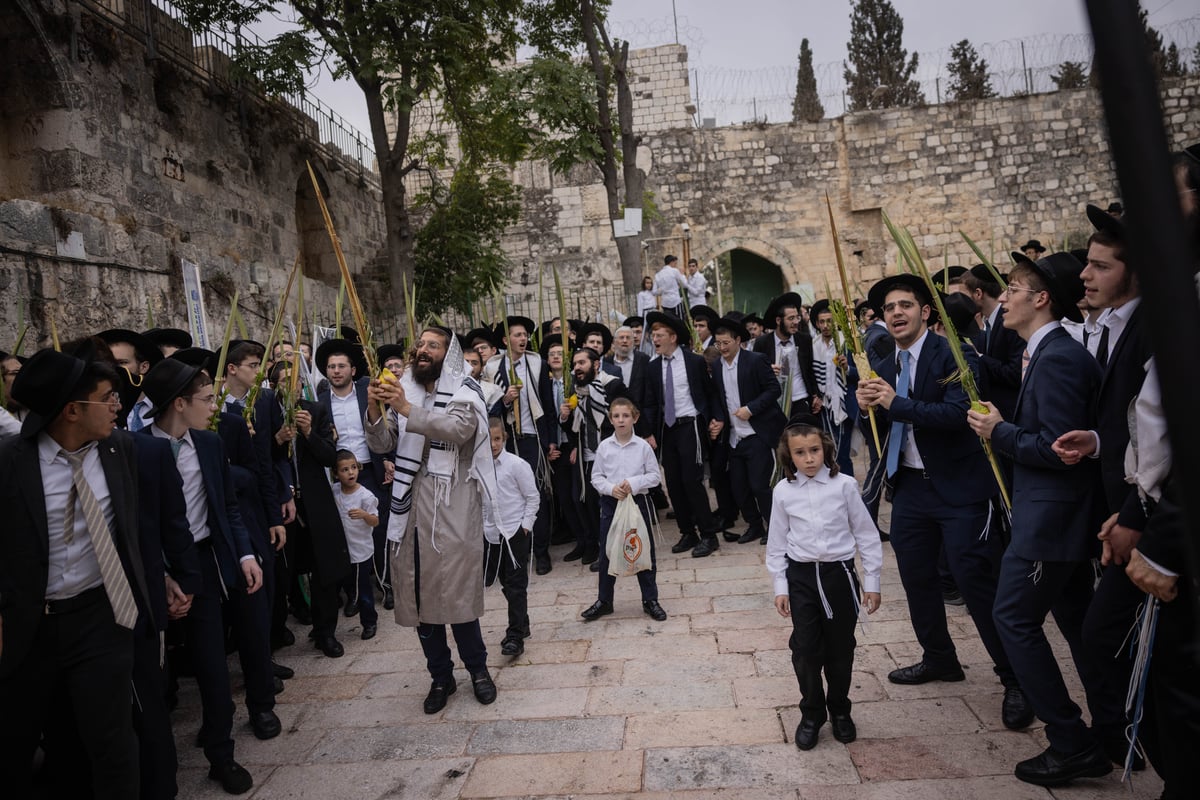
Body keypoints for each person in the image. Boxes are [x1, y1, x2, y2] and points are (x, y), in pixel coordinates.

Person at [855, 273, 1030, 731]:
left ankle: (1015, 678)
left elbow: (959, 414)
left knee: (976, 585)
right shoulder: (879, 358)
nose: (896, 313)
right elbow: (883, 417)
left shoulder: (954, 353)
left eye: (905, 305)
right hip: (910, 488)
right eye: (889, 307)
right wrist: (867, 404)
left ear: (925, 312)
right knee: (916, 578)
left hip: (960, 490)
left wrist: (896, 403)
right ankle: (939, 658)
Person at [966, 252, 1112, 786]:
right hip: (1055, 516)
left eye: (1012, 289)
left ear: (1040, 298)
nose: (1002, 297)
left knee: (1013, 619)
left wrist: (997, 432)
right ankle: (1114, 731)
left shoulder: (1056, 358)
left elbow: (1059, 449)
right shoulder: (1044, 352)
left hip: (1050, 520)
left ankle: (1071, 741)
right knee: (1078, 624)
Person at [1, 350, 156, 800]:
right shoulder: (10, 462)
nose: (118, 407)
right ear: (72, 410)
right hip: (26, 627)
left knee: (113, 742)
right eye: (107, 398)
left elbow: (131, 527)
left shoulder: (119, 448)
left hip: (99, 617)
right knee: (21, 745)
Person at [1052, 205, 1152, 769]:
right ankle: (1122, 734)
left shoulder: (1150, 326)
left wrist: (1135, 511)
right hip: (1122, 504)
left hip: (1145, 514)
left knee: (1105, 632)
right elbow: (1127, 422)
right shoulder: (1116, 324)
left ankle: (1128, 734)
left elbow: (1165, 429)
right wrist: (1095, 440)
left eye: (1099, 266)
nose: (1084, 277)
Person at [141, 357, 265, 794]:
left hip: (203, 567)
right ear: (179, 402)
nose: (215, 406)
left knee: (213, 665)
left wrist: (245, 553)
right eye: (208, 399)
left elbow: (226, 505)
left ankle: (221, 754)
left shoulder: (210, 444)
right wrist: (160, 575)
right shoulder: (132, 449)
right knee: (157, 676)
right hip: (152, 575)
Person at [366, 327, 499, 715]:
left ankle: (478, 671)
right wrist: (377, 409)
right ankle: (440, 676)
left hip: (452, 503)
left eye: (432, 346)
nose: (422, 350)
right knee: (421, 599)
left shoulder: (464, 389)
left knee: (456, 595)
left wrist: (407, 409)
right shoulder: (406, 385)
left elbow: (461, 430)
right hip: (410, 509)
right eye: (420, 344)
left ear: (448, 354)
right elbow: (382, 444)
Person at [767, 424, 882, 751]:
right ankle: (812, 712)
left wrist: (871, 581)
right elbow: (776, 544)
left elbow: (866, 534)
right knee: (805, 651)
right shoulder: (783, 492)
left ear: (826, 449)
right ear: (789, 455)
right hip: (801, 578)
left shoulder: (844, 486)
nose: (809, 459)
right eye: (800, 453)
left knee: (840, 649)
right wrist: (780, 585)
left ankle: (840, 710)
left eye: (814, 450)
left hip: (839, 577)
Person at [643, 311, 726, 557]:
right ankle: (687, 532)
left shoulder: (693, 361)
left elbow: (711, 393)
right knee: (674, 484)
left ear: (673, 337)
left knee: (692, 480)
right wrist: (648, 432)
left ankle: (709, 535)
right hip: (667, 430)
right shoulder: (652, 367)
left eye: (659, 336)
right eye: (653, 336)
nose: (654, 340)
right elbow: (648, 402)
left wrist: (717, 418)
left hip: (691, 425)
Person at [582, 396, 667, 622]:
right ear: (611, 419)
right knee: (608, 551)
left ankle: (650, 599)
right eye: (617, 416)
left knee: (642, 549)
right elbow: (596, 477)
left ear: (635, 418)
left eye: (626, 416)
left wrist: (634, 483)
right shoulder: (604, 447)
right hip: (612, 504)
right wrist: (610, 489)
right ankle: (604, 600)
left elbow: (654, 477)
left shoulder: (642, 447)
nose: (621, 420)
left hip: (637, 503)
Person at [709, 316, 784, 545]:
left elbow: (774, 390)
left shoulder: (755, 360)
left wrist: (751, 409)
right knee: (739, 487)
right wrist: (719, 420)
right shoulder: (716, 366)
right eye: (718, 344)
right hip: (733, 436)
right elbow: (717, 397)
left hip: (757, 433)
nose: (721, 348)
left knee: (760, 485)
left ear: (738, 340)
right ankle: (754, 525)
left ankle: (774, 528)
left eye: (726, 343)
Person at [561, 347, 628, 568]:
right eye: (575, 364)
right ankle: (595, 546)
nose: (577, 368)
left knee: (609, 506)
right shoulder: (576, 391)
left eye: (582, 363)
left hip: (610, 456)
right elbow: (573, 428)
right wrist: (565, 417)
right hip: (586, 457)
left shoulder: (612, 385)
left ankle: (614, 551)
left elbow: (625, 417)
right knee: (587, 503)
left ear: (596, 364)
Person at [483, 417, 539, 656]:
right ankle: (523, 622)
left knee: (516, 584)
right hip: (493, 534)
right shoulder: (478, 468)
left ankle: (515, 636)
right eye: (488, 440)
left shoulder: (517, 465)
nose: (493, 444)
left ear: (504, 438)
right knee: (505, 582)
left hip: (515, 530)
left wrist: (525, 526)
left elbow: (532, 497)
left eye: (497, 439)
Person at [964, 264, 1025, 421]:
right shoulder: (988, 323)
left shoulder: (1009, 321)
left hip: (1011, 416)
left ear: (978, 294)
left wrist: (980, 357)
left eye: (964, 296)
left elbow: (1016, 373)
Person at [331, 449, 381, 641]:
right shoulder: (335, 490)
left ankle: (369, 621)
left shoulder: (365, 496)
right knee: (350, 585)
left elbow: (375, 521)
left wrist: (365, 515)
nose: (350, 472)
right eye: (344, 469)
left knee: (364, 592)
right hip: (343, 551)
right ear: (336, 473)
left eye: (353, 467)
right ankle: (353, 601)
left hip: (361, 551)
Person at [751, 292, 820, 421]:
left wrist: (815, 395)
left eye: (797, 318)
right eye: (790, 319)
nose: (795, 322)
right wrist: (767, 370)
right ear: (778, 320)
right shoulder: (762, 343)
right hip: (775, 403)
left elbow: (810, 370)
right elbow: (754, 373)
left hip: (801, 400)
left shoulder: (804, 340)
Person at [809, 300, 857, 476]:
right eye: (821, 322)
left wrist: (847, 369)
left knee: (842, 452)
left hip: (843, 403)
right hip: (824, 406)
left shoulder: (847, 343)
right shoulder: (814, 346)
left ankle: (848, 488)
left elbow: (862, 373)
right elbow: (811, 376)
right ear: (816, 324)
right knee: (828, 450)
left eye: (829, 321)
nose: (825, 326)